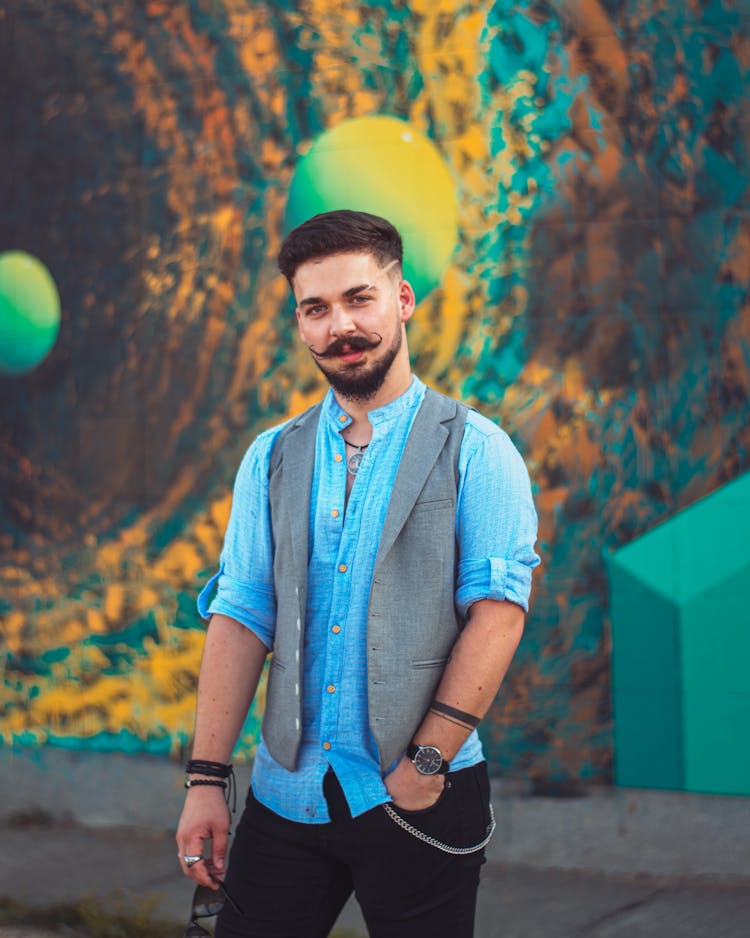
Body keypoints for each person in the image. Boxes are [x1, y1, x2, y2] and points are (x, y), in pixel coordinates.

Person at [176, 209, 540, 938]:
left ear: (401, 299)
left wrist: (428, 761)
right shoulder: (271, 457)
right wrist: (206, 782)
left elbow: (498, 616)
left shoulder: (477, 448)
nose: (340, 325)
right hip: (286, 797)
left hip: (418, 794)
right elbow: (242, 614)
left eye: (358, 298)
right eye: (316, 308)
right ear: (300, 324)